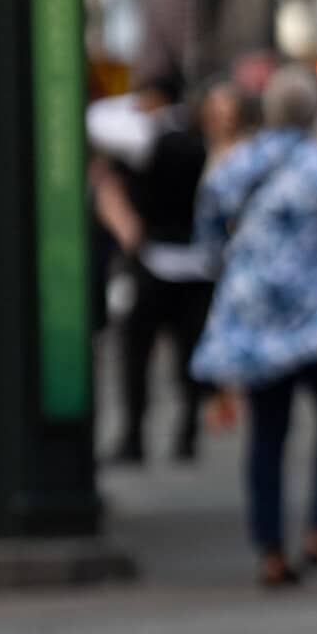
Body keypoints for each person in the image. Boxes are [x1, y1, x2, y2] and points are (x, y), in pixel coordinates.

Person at [191, 66, 317, 589]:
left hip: (259, 318)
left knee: (268, 430)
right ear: (314, 112)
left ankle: (271, 550)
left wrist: (236, 265)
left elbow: (207, 229)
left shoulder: (239, 161)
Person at [87, 68, 214, 464]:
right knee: (189, 354)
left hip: (153, 259)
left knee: (136, 354)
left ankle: (134, 437)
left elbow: (98, 120)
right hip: (197, 262)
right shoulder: (199, 138)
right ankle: (188, 432)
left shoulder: (144, 138)